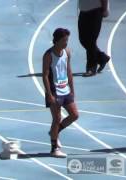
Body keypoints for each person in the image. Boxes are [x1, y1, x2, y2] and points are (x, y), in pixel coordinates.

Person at [42, 28, 79, 158]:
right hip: (54, 91)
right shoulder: (48, 55)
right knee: (57, 118)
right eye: (64, 40)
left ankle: (55, 132)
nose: (66, 43)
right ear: (57, 40)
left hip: (66, 90)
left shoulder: (67, 52)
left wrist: (72, 90)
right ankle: (54, 149)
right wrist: (49, 94)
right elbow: (45, 75)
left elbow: (69, 71)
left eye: (67, 40)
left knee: (74, 115)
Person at [78, 0, 110, 76]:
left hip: (96, 11)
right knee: (83, 39)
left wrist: (105, 9)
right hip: (83, 11)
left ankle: (91, 68)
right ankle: (102, 58)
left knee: (91, 40)